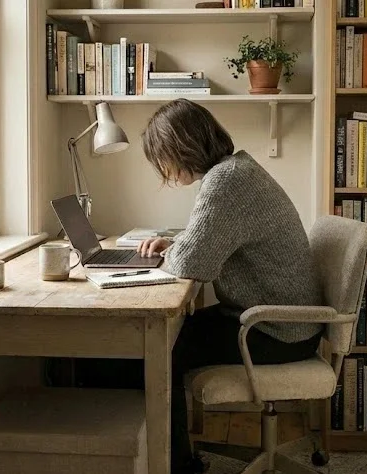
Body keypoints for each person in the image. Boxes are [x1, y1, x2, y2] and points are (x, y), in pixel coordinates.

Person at [134, 98, 324, 474]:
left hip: (276, 329)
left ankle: (175, 464)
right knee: (162, 340)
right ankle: (167, 457)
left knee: (158, 348)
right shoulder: (236, 170)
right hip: (274, 319)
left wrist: (177, 252)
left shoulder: (227, 181)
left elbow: (193, 263)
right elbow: (206, 244)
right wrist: (175, 245)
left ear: (180, 148)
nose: (164, 171)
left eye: (162, 159)